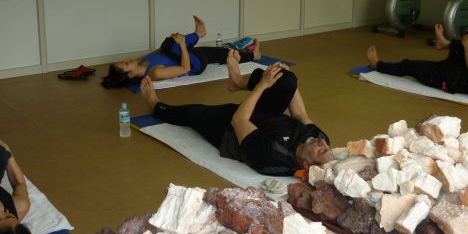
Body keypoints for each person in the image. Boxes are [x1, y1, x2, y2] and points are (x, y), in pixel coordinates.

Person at [139, 50, 334, 176]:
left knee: (192, 113)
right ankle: (237, 82)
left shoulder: (274, 156)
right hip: (264, 116)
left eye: (321, 150)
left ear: (306, 165)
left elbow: (239, 119)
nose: (322, 142)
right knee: (287, 79)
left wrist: (263, 85)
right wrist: (288, 75)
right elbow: (299, 114)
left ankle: (156, 105)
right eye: (326, 146)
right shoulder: (318, 138)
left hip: (230, 129)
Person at [101, 15, 261, 89]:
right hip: (194, 64)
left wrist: (176, 43)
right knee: (170, 45)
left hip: (188, 55)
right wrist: (182, 44)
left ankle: (254, 55)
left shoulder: (141, 60)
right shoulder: (154, 73)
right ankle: (199, 34)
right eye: (126, 64)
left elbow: (160, 50)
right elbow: (185, 68)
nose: (128, 60)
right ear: (130, 75)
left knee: (221, 54)